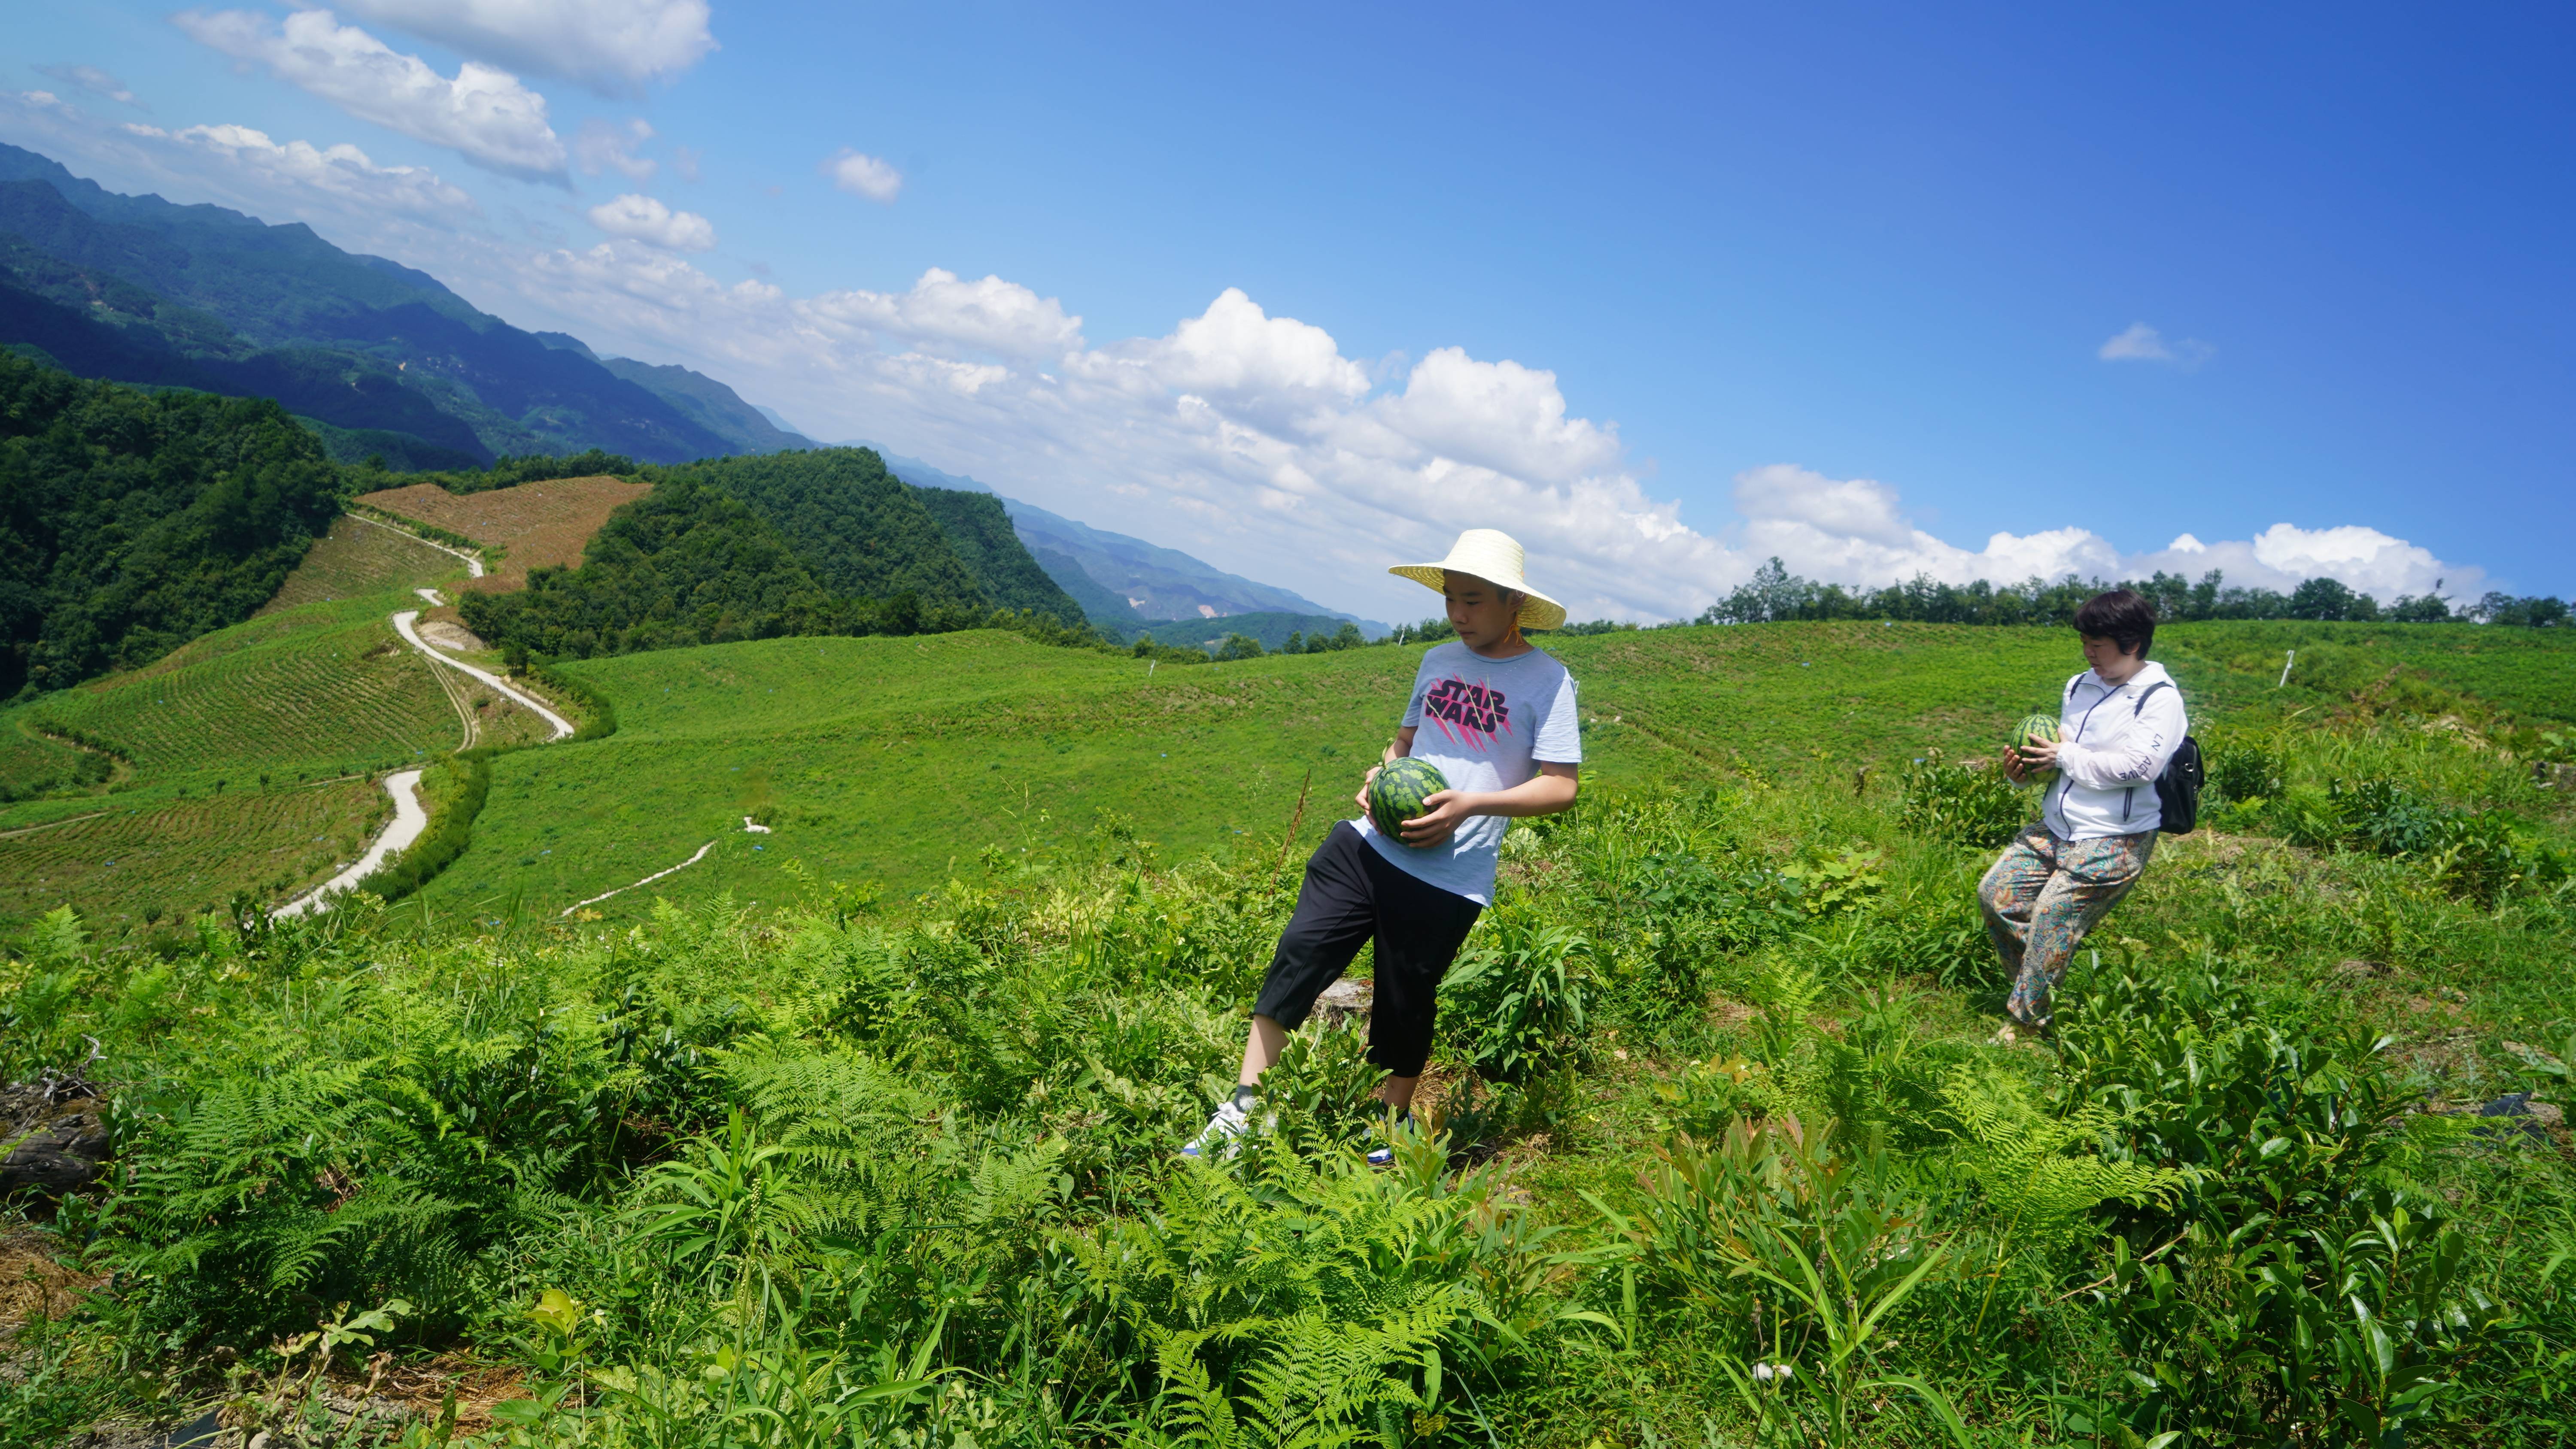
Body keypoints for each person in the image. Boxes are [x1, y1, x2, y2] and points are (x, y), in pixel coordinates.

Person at [1184, 529, 1583, 1161]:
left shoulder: (1549, 681)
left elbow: (1561, 786)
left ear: (1513, 602)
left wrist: (1472, 804)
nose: (1457, 613)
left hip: (1448, 874)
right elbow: (1403, 742)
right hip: (1369, 846)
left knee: (1406, 1001)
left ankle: (1386, 1131)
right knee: (1299, 952)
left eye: (1473, 600)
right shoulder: (1438, 661)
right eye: (1452, 598)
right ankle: (1242, 1110)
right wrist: (1382, 775)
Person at [1984, 588, 2187, 1033]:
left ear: (2132, 643)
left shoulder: (2158, 698)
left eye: (2098, 644)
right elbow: (2061, 759)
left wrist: (2063, 756)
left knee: (2053, 918)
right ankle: (2038, 990)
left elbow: (2140, 766)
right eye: (2084, 643)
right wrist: (2023, 772)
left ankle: (2026, 1025)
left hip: (2116, 835)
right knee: (1998, 896)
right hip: (2058, 826)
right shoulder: (2078, 685)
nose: (2088, 652)